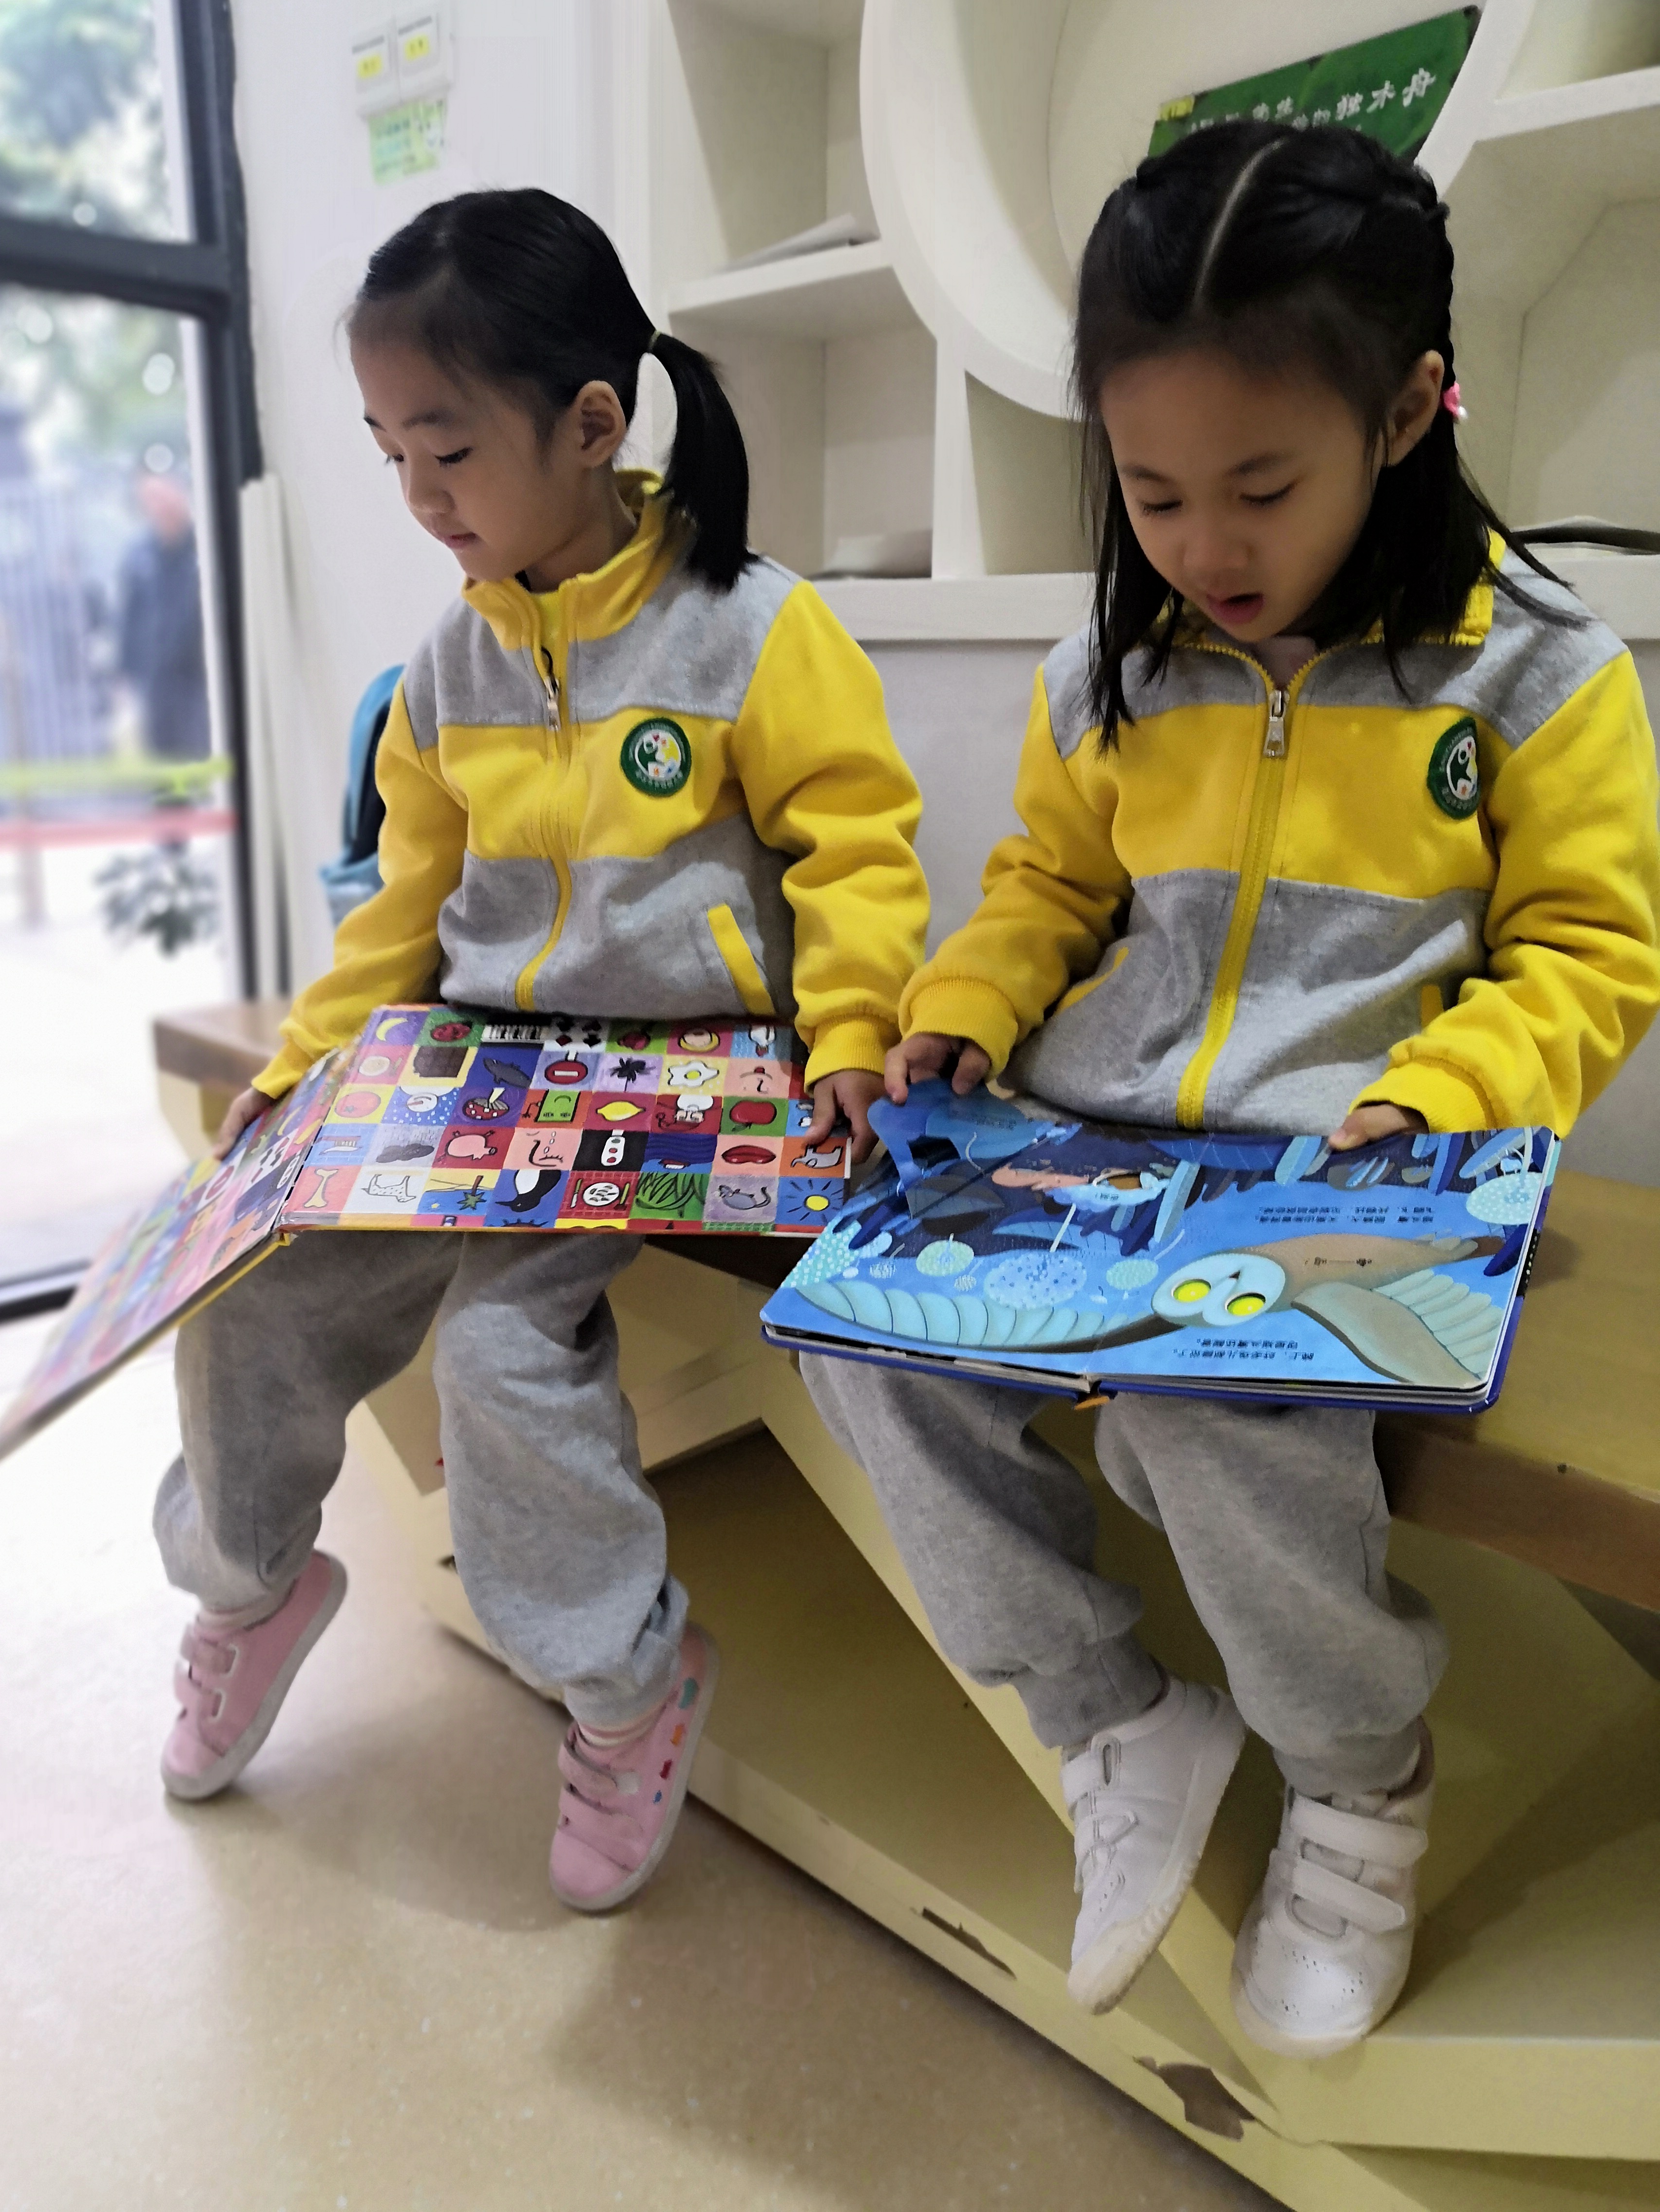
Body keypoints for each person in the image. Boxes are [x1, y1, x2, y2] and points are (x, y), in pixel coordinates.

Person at [802, 121, 1660, 2056]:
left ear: (1409, 413)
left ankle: (1358, 1778)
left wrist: (1449, 1089)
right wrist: (961, 1007)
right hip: (1096, 1145)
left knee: (1209, 1411)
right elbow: (1045, 888)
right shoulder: (1115, 665)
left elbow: (1592, 953)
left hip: (1359, 1168)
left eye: (1261, 487)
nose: (1204, 548)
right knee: (860, 1330)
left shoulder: (1535, 674)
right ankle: (1113, 1714)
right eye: (1152, 490)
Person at [154, 189, 928, 1913]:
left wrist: (854, 1028)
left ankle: (625, 1684)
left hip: (687, 1090)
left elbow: (858, 854)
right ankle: (247, 1584)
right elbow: (405, 901)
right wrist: (310, 1059)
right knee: (248, 1281)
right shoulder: (449, 661)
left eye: (447, 451)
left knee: (503, 1355)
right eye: (391, 457)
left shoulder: (755, 625)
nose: (421, 499)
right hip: (481, 1078)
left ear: (591, 425)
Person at [117, 473, 210, 758]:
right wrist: (125, 678)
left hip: (200, 679)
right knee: (164, 762)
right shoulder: (139, 557)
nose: (161, 505)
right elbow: (129, 620)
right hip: (157, 683)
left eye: (164, 495)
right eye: (151, 499)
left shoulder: (206, 547)